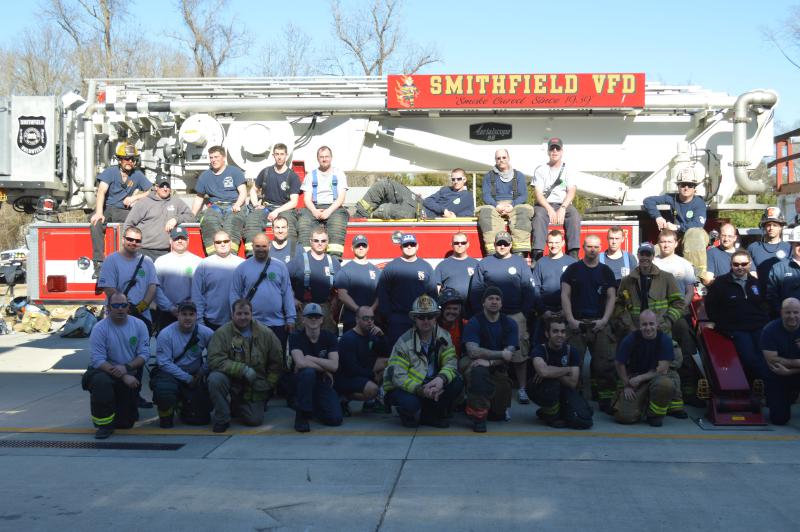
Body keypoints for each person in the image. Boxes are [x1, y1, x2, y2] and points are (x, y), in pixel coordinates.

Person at [614, 241, 688, 416]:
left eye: (648, 254)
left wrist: (668, 320)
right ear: (638, 256)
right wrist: (629, 325)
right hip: (636, 333)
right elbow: (618, 306)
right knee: (634, 365)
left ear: (653, 257)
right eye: (642, 254)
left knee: (670, 367)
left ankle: (675, 404)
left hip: (661, 332)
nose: (645, 258)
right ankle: (627, 398)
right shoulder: (627, 280)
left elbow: (679, 303)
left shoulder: (667, 278)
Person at [469, 231, 535, 405]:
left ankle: (522, 389)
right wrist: (479, 313)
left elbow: (529, 289)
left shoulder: (520, 263)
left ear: (511, 244)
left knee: (519, 355)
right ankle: (494, 389)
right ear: (494, 244)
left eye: (506, 243)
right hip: (489, 317)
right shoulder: (485, 263)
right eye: (500, 243)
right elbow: (476, 290)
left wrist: (524, 313)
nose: (503, 246)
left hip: (515, 316)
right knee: (492, 352)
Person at [383, 294, 463, 428]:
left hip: (431, 383)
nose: (426, 320)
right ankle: (407, 412)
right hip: (405, 387)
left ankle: (428, 416)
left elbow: (451, 362)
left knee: (457, 382)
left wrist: (440, 380)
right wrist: (421, 390)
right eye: (421, 317)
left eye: (430, 316)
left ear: (436, 317)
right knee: (411, 404)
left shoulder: (444, 336)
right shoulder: (404, 342)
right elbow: (398, 377)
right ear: (414, 318)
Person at [206, 298, 284, 433]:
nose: (243, 317)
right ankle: (222, 418)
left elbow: (277, 361)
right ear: (232, 315)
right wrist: (242, 369)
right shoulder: (222, 333)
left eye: (246, 313)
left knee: (254, 421)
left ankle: (240, 405)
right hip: (230, 379)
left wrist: (269, 385)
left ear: (252, 314)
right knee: (214, 379)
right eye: (239, 313)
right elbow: (214, 359)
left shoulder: (266, 334)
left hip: (255, 382)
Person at [561, 234, 617, 413]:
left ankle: (605, 398)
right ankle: (575, 397)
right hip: (577, 323)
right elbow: (565, 295)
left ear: (600, 248)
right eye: (589, 247)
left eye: (596, 247)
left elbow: (611, 297)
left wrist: (605, 321)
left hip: (600, 323)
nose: (592, 250)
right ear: (583, 248)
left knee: (605, 363)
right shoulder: (572, 270)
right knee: (573, 363)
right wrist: (571, 320)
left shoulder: (606, 271)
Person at [81, 292, 149, 439]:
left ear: (128, 307)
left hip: (128, 371)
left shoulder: (139, 325)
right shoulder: (100, 328)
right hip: (104, 371)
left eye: (123, 305)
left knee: (125, 423)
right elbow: (98, 360)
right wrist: (124, 375)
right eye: (116, 305)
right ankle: (103, 425)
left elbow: (144, 355)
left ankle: (124, 409)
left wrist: (126, 369)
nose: (120, 309)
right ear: (108, 308)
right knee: (101, 382)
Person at [706, 250, 771, 385]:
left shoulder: (756, 283)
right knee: (748, 357)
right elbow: (711, 306)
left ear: (749, 265)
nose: (740, 267)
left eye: (743, 264)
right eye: (736, 264)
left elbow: (764, 305)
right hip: (735, 328)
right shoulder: (720, 283)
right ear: (731, 264)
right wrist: (721, 325)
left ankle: (762, 387)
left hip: (758, 327)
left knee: (766, 355)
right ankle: (761, 386)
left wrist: (765, 322)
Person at [89, 142, 152, 278]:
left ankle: (138, 260)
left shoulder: (137, 174)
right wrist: (99, 213)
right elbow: (101, 192)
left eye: (133, 159)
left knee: (140, 225)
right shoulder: (110, 172)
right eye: (127, 158)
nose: (130, 162)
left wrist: (135, 197)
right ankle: (99, 264)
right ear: (119, 160)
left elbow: (151, 191)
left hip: (123, 211)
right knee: (95, 224)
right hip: (107, 209)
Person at [652, 229, 700, 405]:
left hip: (679, 316)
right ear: (658, 243)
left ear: (676, 243)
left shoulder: (684, 264)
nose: (665, 245)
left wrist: (679, 310)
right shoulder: (652, 263)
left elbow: (689, 292)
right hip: (657, 317)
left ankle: (688, 391)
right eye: (662, 241)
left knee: (685, 352)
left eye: (669, 242)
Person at [150, 301, 214, 428]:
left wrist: (201, 372)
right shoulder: (166, 334)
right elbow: (164, 363)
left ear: (196, 316)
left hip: (195, 375)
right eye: (184, 314)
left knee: (201, 420)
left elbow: (215, 356)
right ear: (177, 315)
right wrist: (187, 378)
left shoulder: (207, 333)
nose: (188, 318)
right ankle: (166, 414)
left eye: (191, 314)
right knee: (164, 389)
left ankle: (182, 405)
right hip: (170, 374)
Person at [462, 286, 516, 433]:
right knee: (478, 371)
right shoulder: (474, 322)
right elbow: (472, 351)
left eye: (497, 299)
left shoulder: (510, 324)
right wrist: (500, 355)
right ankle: (478, 416)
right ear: (483, 303)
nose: (494, 302)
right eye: (490, 298)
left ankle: (481, 405)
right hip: (473, 362)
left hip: (496, 365)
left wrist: (491, 361)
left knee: (497, 415)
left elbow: (509, 355)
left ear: (501, 304)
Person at [613, 310, 680, 426]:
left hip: (656, 376)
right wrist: (627, 385)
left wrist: (640, 378)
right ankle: (642, 403)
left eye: (651, 324)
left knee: (665, 385)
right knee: (624, 417)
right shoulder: (630, 339)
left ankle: (654, 415)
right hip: (634, 378)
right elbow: (619, 363)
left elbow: (662, 369)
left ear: (657, 325)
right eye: (644, 324)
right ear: (639, 325)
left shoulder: (665, 340)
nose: (648, 328)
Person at [230, 233, 296, 349]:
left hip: (277, 324)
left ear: (269, 246)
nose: (261, 249)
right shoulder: (242, 267)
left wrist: (291, 318)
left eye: (264, 246)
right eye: (258, 246)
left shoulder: (280, 266)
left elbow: (287, 293)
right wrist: (237, 317)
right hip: (250, 324)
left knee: (276, 362)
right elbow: (234, 293)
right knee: (252, 361)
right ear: (252, 247)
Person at [526, 316, 592, 429]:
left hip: (564, 389)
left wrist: (551, 371)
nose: (560, 335)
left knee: (583, 419)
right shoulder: (539, 350)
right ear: (547, 334)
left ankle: (546, 412)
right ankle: (552, 416)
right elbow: (543, 372)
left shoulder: (572, 351)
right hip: (540, 388)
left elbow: (572, 383)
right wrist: (567, 370)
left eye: (562, 331)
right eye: (555, 331)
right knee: (552, 385)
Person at [643, 166, 709, 276]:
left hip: (693, 240)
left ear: (695, 188)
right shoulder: (671, 198)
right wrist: (658, 216)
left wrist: (676, 227)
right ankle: (651, 281)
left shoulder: (699, 202)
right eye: (682, 185)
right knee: (651, 253)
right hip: (674, 240)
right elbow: (648, 201)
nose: (686, 188)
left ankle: (695, 276)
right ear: (678, 187)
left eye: (690, 185)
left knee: (693, 234)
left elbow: (698, 225)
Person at [289, 303, 343, 432]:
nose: (313, 319)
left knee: (335, 420)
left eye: (317, 317)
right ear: (303, 319)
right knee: (308, 372)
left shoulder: (329, 337)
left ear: (322, 320)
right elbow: (300, 363)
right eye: (310, 316)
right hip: (301, 381)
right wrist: (324, 369)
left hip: (322, 382)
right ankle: (302, 415)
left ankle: (311, 405)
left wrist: (310, 358)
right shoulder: (295, 337)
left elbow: (334, 366)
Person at [377, 233, 437, 347]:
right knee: (398, 352)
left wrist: (430, 317)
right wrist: (388, 316)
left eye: (412, 244)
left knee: (421, 350)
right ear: (401, 247)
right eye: (406, 245)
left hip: (421, 317)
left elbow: (433, 293)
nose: (409, 247)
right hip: (398, 319)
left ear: (417, 246)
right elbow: (382, 292)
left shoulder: (426, 266)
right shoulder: (391, 267)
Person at [97, 226, 158, 334]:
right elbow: (109, 288)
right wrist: (125, 307)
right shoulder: (111, 260)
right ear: (123, 239)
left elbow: (152, 287)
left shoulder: (147, 261)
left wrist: (140, 307)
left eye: (137, 241)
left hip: (142, 317)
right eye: (130, 239)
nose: (133, 243)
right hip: (117, 317)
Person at [243, 143, 302, 254]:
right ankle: (252, 255)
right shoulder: (265, 172)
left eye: (282, 154)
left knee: (288, 227)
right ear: (273, 156)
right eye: (277, 154)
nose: (279, 157)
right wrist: (256, 205)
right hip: (266, 207)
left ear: (286, 155)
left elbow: (294, 202)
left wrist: (277, 211)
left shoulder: (293, 176)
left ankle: (289, 255)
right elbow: (253, 190)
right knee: (252, 222)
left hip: (285, 209)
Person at [192, 145, 248, 256]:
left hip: (234, 206)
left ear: (224, 157)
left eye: (216, 157)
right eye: (211, 157)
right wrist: (192, 215)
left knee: (232, 223)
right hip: (214, 207)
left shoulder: (235, 172)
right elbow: (199, 198)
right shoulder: (205, 176)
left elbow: (243, 192)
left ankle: (231, 256)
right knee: (208, 222)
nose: (213, 160)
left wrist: (237, 204)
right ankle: (213, 257)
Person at [355, 168, 475, 219]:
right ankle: (359, 214)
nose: (455, 182)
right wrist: (443, 210)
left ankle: (365, 216)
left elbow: (469, 215)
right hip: (418, 202)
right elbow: (428, 200)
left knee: (388, 210)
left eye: (458, 179)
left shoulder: (468, 197)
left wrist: (455, 218)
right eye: (453, 179)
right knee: (386, 184)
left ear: (465, 179)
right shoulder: (445, 190)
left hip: (419, 215)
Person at [123, 176, 195, 261]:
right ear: (156, 187)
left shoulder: (176, 201)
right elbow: (129, 225)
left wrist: (176, 219)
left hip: (166, 252)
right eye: (162, 186)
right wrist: (129, 248)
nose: (165, 189)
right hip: (143, 250)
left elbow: (191, 216)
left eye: (167, 186)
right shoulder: (143, 202)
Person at [476, 149, 534, 255]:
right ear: (495, 160)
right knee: (485, 212)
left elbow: (523, 195)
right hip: (495, 206)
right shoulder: (488, 176)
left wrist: (512, 205)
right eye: (498, 158)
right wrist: (496, 206)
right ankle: (493, 250)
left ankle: (520, 252)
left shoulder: (519, 175)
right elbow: (486, 195)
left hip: (514, 205)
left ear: (508, 158)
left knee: (523, 210)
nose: (501, 160)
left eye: (504, 157)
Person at [531, 137, 581, 259]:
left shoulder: (569, 169)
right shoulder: (540, 170)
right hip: (544, 204)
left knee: (574, 215)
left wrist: (563, 208)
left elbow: (571, 191)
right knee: (538, 216)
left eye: (557, 148)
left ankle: (573, 254)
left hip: (563, 204)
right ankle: (537, 254)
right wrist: (549, 208)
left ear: (561, 151)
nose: (554, 151)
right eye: (552, 148)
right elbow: (538, 194)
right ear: (548, 152)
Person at [335, 306, 389, 414]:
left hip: (362, 368)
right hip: (346, 378)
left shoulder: (370, 334)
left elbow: (386, 352)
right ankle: (343, 397)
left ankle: (370, 404)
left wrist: (382, 336)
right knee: (373, 390)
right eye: (365, 318)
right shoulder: (348, 339)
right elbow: (351, 369)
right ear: (357, 320)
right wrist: (373, 375)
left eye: (372, 318)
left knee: (388, 362)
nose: (370, 321)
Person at [298, 146, 349, 257]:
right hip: (314, 207)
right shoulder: (310, 175)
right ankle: (306, 257)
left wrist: (329, 211)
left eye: (327, 156)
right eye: (321, 157)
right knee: (303, 222)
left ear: (331, 158)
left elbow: (341, 198)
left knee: (337, 224)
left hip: (334, 207)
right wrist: (314, 211)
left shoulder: (339, 174)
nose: (324, 159)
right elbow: (306, 199)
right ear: (317, 158)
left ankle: (334, 259)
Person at [289, 228, 340, 332]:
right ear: (310, 241)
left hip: (325, 308)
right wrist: (291, 297)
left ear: (328, 242)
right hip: (303, 308)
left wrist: (336, 300)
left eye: (323, 241)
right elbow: (283, 280)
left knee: (327, 341)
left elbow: (342, 287)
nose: (320, 244)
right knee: (302, 341)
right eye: (316, 240)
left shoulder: (334, 262)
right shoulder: (298, 260)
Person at [191, 230, 245, 330]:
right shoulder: (204, 265)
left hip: (239, 322)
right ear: (214, 244)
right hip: (211, 323)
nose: (222, 244)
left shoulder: (242, 264)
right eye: (218, 242)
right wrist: (199, 321)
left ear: (231, 242)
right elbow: (197, 295)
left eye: (226, 241)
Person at [153, 226, 202, 333]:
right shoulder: (161, 261)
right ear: (170, 241)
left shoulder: (198, 262)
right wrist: (170, 308)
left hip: (191, 312)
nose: (180, 241)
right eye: (176, 238)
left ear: (188, 240)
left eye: (183, 238)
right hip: (166, 314)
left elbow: (202, 290)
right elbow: (156, 289)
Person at [531, 230, 577, 344]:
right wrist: (543, 311)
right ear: (547, 243)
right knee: (540, 345)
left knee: (567, 346)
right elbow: (535, 289)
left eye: (557, 242)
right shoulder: (540, 263)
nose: (554, 245)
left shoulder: (572, 263)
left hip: (566, 313)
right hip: (545, 313)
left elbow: (577, 290)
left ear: (563, 243)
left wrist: (566, 310)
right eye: (551, 242)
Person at [760, 297, 800, 425]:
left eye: (796, 312)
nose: (792, 316)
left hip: (788, 372)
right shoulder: (769, 330)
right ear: (781, 313)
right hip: (778, 375)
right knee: (779, 419)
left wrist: (789, 371)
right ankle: (785, 398)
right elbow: (772, 360)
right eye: (788, 312)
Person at [334, 234, 380, 332]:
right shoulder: (345, 270)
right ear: (352, 248)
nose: (361, 248)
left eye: (363, 245)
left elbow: (380, 295)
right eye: (358, 246)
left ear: (368, 248)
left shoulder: (376, 271)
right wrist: (359, 311)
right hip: (352, 320)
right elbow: (342, 295)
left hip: (372, 321)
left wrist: (371, 310)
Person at [748, 207, 790, 295]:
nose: (771, 228)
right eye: (768, 225)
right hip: (759, 297)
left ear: (781, 227)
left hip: (782, 296)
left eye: (775, 225)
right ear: (763, 227)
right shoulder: (753, 248)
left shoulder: (789, 248)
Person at [433, 232, 479, 301]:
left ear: (468, 244)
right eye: (456, 243)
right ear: (451, 244)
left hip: (472, 308)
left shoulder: (476, 264)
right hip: (451, 308)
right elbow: (436, 289)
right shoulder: (442, 265)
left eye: (463, 243)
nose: (460, 245)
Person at [767, 226, 800, 315]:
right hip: (786, 321)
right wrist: (784, 315)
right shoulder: (778, 268)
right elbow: (771, 297)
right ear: (791, 244)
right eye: (798, 244)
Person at [437, 288, 467, 360]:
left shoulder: (465, 325)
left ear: (460, 310)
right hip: (438, 364)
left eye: (455, 309)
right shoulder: (434, 326)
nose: (451, 311)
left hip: (459, 364)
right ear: (442, 310)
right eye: (448, 308)